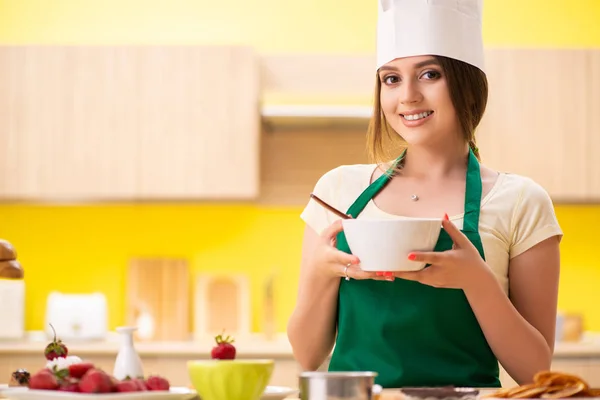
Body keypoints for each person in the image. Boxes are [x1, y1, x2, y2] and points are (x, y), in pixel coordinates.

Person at [286, 0, 563, 389]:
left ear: (466, 83)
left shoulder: (521, 202)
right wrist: (320, 273)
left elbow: (536, 373)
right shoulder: (338, 192)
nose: (408, 96)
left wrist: (477, 280)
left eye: (429, 74)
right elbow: (307, 354)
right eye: (391, 79)